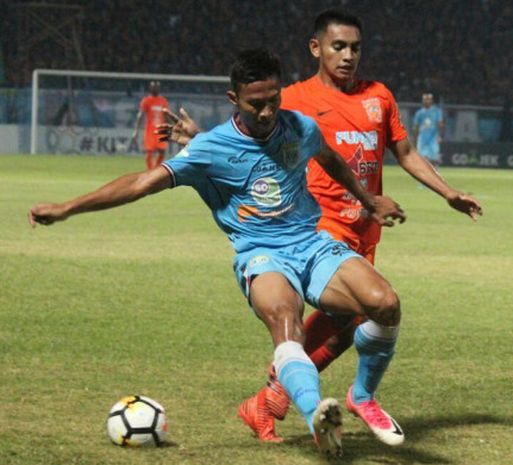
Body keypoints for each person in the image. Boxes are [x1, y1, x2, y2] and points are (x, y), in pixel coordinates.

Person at [28, 49, 408, 458]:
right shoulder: (210, 149)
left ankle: (362, 396)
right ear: (234, 99)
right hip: (262, 254)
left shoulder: (299, 126)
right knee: (286, 320)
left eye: (273, 100)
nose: (266, 112)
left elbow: (329, 158)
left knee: (384, 304)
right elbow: (141, 183)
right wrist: (67, 208)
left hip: (311, 243)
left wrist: (367, 200)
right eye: (255, 104)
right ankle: (316, 415)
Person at [158, 9, 482, 445]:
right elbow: (247, 131)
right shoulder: (293, 98)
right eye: (338, 47)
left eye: (356, 48)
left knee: (348, 326)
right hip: (317, 227)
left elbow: (404, 154)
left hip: (364, 225)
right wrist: (200, 139)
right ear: (316, 49)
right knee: (350, 314)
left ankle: (269, 402)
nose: (348, 56)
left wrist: (448, 192)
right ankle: (323, 401)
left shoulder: (378, 96)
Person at [132, 81, 169, 169]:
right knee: (149, 152)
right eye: (153, 87)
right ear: (150, 88)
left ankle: (155, 169)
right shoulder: (146, 101)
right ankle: (150, 170)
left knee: (162, 151)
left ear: (159, 89)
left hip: (161, 130)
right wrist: (136, 130)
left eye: (156, 87)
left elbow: (166, 115)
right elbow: (140, 115)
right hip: (150, 130)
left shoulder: (163, 101)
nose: (155, 89)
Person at [412, 93, 444, 166]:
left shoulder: (437, 111)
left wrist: (440, 136)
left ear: (431, 101)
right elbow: (415, 127)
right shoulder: (419, 113)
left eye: (428, 99)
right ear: (422, 101)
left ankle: (434, 175)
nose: (426, 101)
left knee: (433, 160)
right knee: (422, 160)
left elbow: (441, 125)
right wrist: (414, 140)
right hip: (422, 139)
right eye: (425, 99)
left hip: (433, 140)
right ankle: (423, 176)